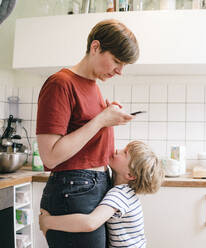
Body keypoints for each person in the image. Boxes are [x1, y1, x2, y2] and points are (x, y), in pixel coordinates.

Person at [36, 19, 139, 248]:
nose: (120, 71)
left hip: (96, 188)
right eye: (116, 61)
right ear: (95, 47)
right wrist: (101, 119)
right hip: (74, 191)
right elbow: (50, 157)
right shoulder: (60, 84)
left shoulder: (93, 85)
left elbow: (88, 140)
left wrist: (109, 117)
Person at [39, 141, 164, 248]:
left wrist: (47, 222)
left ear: (130, 175)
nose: (117, 150)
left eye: (125, 153)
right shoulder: (123, 191)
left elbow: (90, 223)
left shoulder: (119, 195)